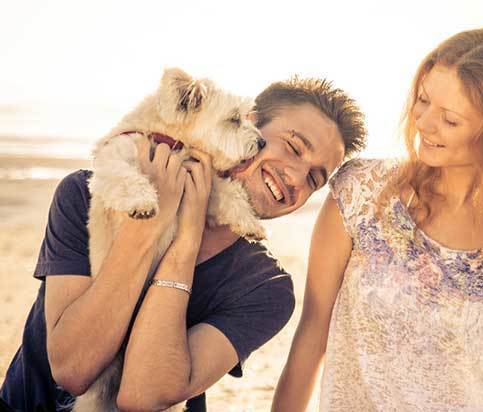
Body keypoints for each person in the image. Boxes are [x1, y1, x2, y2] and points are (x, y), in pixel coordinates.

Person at [0, 76, 367, 411]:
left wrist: (186, 239)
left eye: (315, 179)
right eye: (293, 147)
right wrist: (150, 224)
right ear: (249, 122)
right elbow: (73, 368)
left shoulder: (266, 288)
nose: (296, 176)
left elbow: (142, 395)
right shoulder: (88, 194)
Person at [272, 26, 483, 412]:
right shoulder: (361, 195)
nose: (424, 123)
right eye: (423, 100)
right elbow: (312, 336)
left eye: (450, 119)